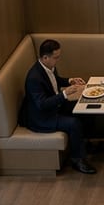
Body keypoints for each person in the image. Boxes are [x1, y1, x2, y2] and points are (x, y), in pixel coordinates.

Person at [19, 39, 96, 174]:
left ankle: (83, 144)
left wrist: (69, 80)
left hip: (54, 106)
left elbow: (55, 81)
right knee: (74, 123)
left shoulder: (49, 67)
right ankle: (77, 160)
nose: (58, 59)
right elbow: (41, 104)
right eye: (56, 57)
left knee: (86, 108)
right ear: (45, 57)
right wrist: (65, 94)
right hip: (41, 118)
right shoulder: (34, 78)